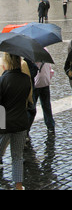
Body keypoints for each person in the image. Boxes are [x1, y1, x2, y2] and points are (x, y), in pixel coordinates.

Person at [0, 53, 32, 190]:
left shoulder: (3, 80)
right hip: (21, 121)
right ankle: (18, 186)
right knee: (17, 156)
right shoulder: (26, 79)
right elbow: (27, 99)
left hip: (5, 123)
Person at [28, 58, 55, 133]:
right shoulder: (45, 51)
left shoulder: (30, 54)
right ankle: (51, 126)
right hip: (45, 81)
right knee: (47, 106)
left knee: (31, 108)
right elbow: (50, 68)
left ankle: (26, 129)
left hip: (35, 84)